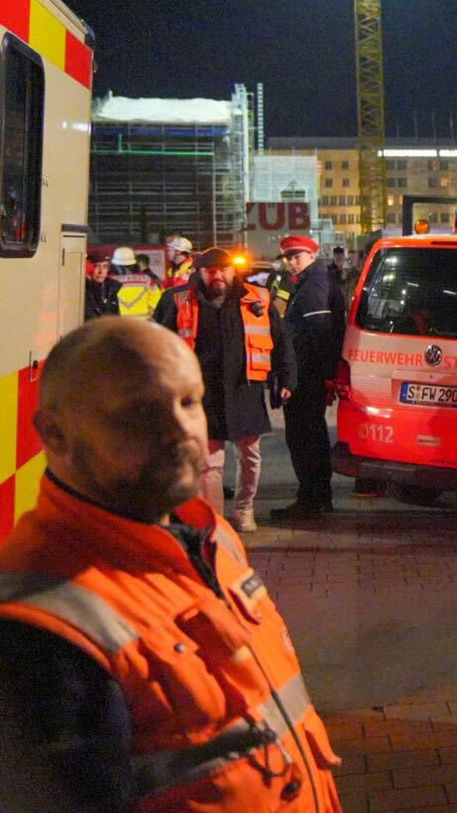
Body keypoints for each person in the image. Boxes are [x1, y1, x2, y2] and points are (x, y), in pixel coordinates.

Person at [0, 318, 341, 811]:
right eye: (139, 413)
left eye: (189, 402)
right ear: (55, 432)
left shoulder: (209, 536)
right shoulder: (36, 630)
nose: (182, 430)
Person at [153, 247, 296, 532]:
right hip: (203, 393)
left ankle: (244, 511)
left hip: (245, 390)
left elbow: (281, 341)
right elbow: (160, 343)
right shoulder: (178, 299)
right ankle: (215, 520)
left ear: (234, 271)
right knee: (210, 462)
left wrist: (287, 378)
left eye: (223, 269)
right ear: (200, 272)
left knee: (250, 456)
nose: (218, 275)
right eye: (211, 270)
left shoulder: (258, 298)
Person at [272, 235, 346, 520]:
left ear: (312, 255)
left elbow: (320, 331)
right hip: (308, 371)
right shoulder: (309, 280)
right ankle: (317, 497)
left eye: (297, 256)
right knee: (311, 435)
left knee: (304, 437)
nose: (291, 262)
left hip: (306, 373)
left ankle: (310, 498)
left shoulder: (314, 283)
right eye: (288, 257)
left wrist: (323, 374)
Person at [83, 252, 121, 320]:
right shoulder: (81, 290)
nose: (101, 271)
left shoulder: (113, 288)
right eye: (96, 266)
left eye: (105, 266)